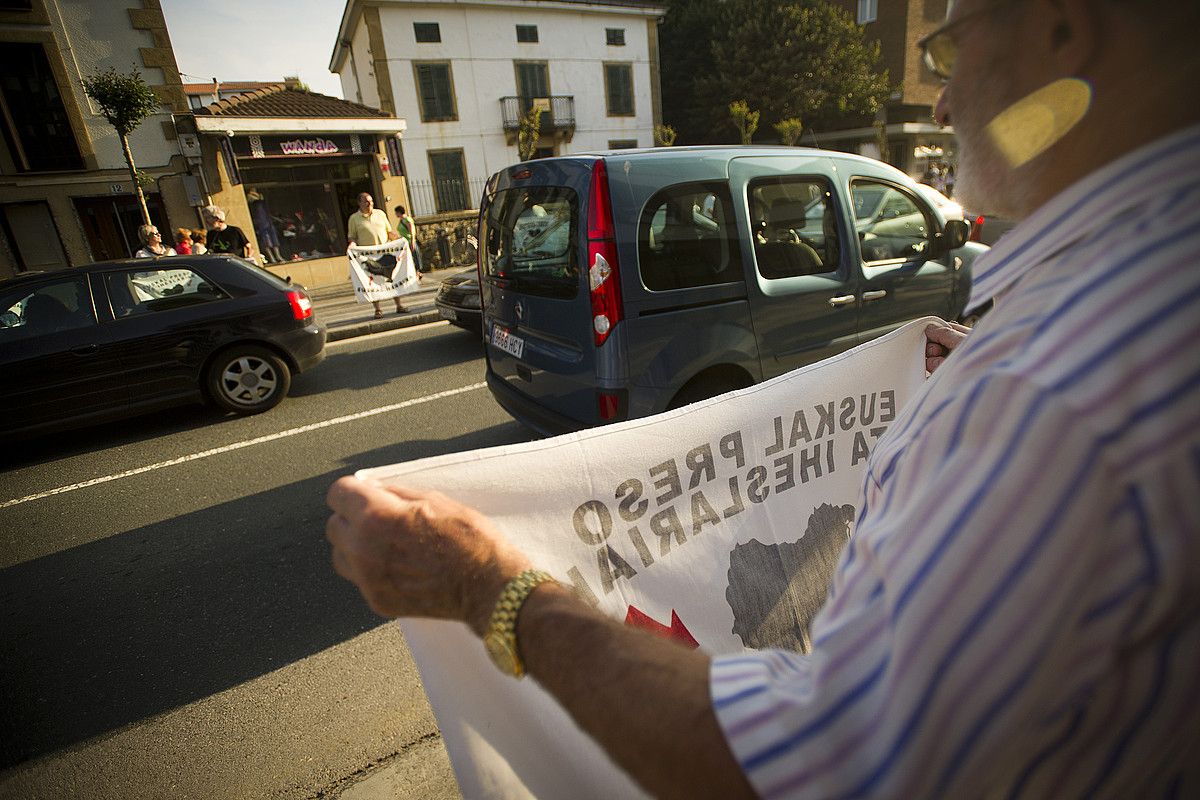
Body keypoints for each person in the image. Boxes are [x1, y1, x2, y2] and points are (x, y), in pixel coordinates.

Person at [326, 2, 1200, 797]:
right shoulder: (1143, 299)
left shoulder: (1043, 396)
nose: (937, 103)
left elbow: (818, 769)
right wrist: (978, 373)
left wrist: (484, 584)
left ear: (1059, 27)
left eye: (947, 47)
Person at [346, 191, 406, 318]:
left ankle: (399, 305)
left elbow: (389, 232)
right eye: (366, 202)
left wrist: (399, 240)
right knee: (372, 283)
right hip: (369, 257)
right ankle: (378, 309)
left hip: (385, 254)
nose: (370, 204)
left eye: (371, 201)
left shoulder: (380, 214)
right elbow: (352, 237)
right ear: (359, 203)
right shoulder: (354, 219)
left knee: (391, 278)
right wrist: (352, 246)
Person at [247, 188, 285, 264]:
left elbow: (266, 210)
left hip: (267, 221)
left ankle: (278, 256)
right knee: (266, 241)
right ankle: (272, 257)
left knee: (274, 239)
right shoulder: (250, 197)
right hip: (261, 222)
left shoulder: (260, 197)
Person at [393, 204, 423, 273]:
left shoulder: (407, 219)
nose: (395, 214)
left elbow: (412, 231)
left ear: (399, 212)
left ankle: (418, 272)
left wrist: (412, 242)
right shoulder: (401, 220)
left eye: (396, 212)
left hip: (410, 241)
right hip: (405, 242)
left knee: (415, 257)